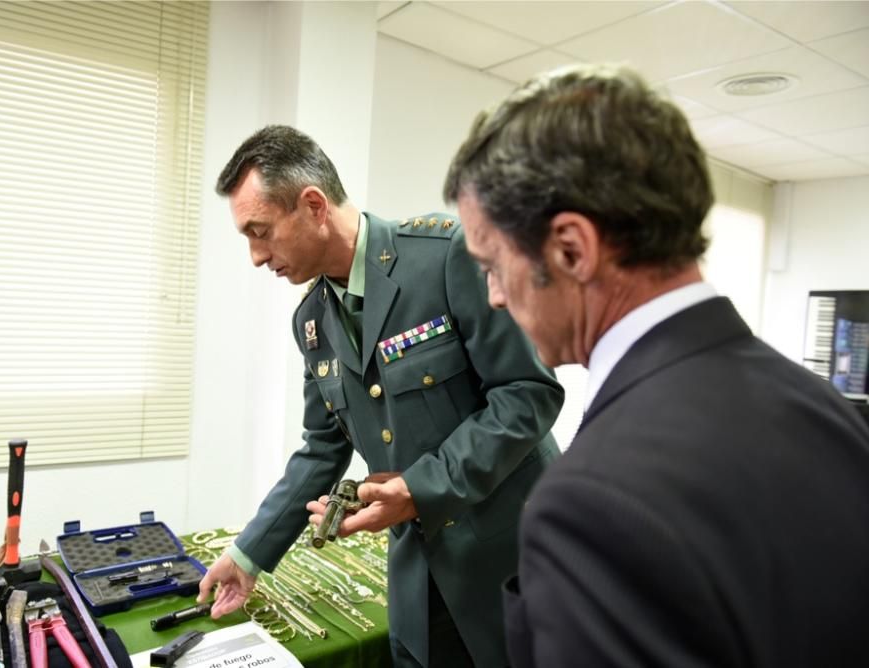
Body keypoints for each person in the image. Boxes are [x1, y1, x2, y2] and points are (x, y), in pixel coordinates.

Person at [443, 63, 869, 668]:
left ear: (571, 248)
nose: (493, 295)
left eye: (492, 265)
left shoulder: (590, 503)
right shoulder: (823, 407)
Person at [197, 125, 564, 667]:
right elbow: (321, 449)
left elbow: (528, 393)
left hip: (510, 559)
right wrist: (248, 555)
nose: (255, 256)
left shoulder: (444, 257)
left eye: (261, 231)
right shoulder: (313, 321)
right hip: (419, 567)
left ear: (314, 205)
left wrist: (419, 486)